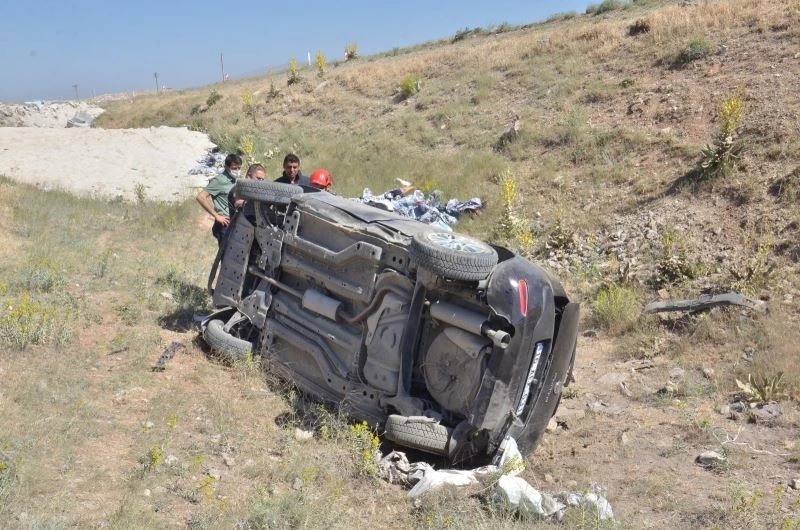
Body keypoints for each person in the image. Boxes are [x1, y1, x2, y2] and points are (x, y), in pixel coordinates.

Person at [196, 153, 242, 246]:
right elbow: (201, 197)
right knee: (225, 256)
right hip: (224, 223)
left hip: (234, 221)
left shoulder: (235, 180)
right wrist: (216, 216)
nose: (237, 171)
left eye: (239, 168)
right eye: (234, 168)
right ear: (226, 167)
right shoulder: (219, 180)